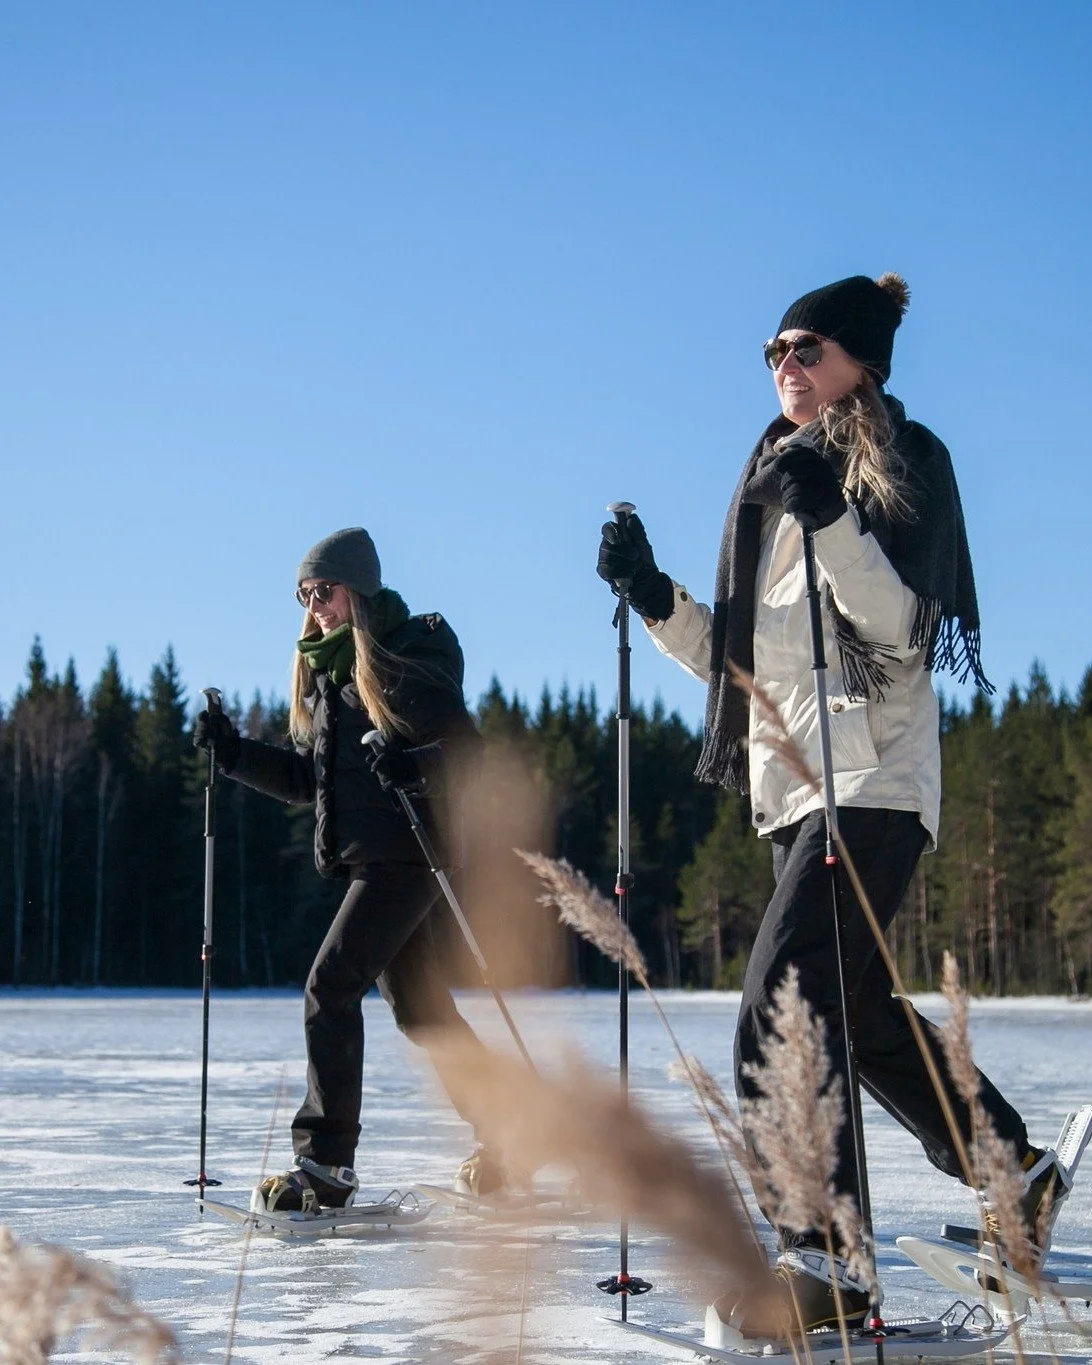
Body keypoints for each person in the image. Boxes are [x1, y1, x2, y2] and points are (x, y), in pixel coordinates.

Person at [596, 275, 1074, 1332]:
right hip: (792, 793)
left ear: (862, 361)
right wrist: (654, 595)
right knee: (854, 1016)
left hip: (873, 786)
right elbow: (744, 666)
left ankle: (825, 1262)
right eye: (772, 351)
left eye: (805, 348)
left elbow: (904, 634)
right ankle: (1017, 1174)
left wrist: (835, 519)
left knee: (783, 1012)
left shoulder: (908, 466)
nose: (784, 366)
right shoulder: (770, 487)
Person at [195, 526, 505, 1213]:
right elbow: (309, 776)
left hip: (410, 855)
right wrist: (234, 752)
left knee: (329, 985)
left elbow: (465, 750)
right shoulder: (335, 679)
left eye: (324, 590)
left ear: (357, 589)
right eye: (304, 595)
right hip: (382, 858)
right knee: (420, 1006)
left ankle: (326, 1162)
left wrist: (414, 765)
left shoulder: (405, 659)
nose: (315, 606)